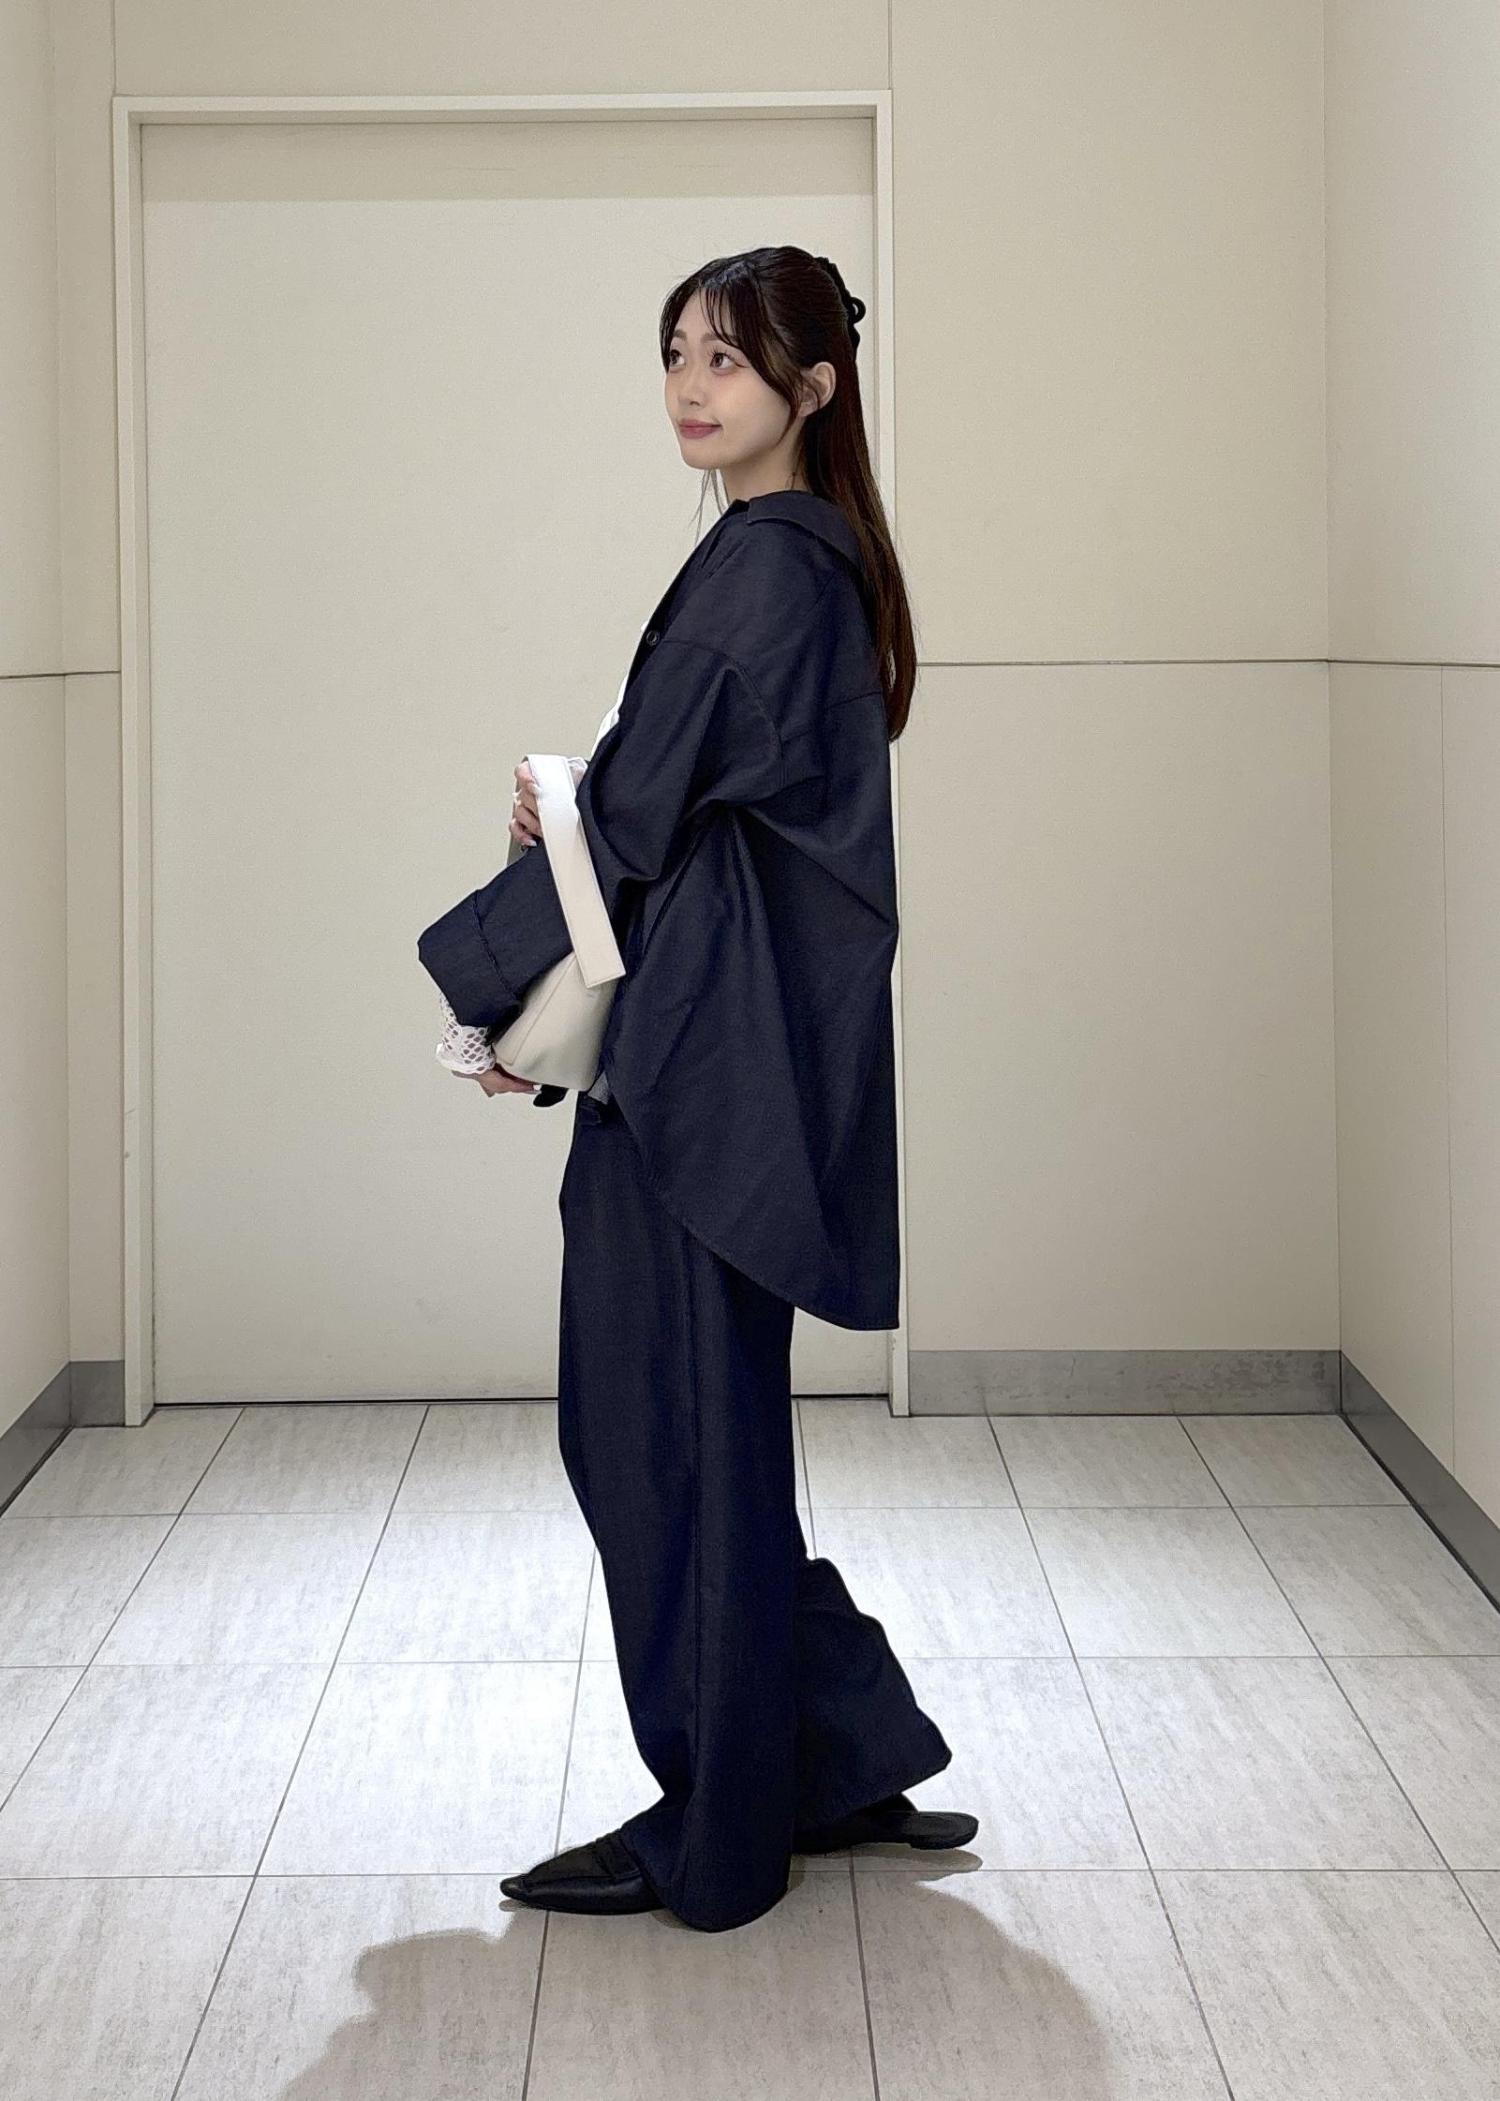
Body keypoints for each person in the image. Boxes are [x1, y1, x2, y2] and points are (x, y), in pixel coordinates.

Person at [417, 246, 977, 1933]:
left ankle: (719, 1827)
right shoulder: (795, 558)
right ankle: (837, 1753)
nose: (690, 385)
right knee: (706, 1441)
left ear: (813, 386)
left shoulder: (768, 570)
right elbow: (666, 804)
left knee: (664, 1449)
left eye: (728, 358)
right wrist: (585, 803)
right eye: (676, 351)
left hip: (699, 1086)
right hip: (731, 1067)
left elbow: (640, 820)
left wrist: (480, 994)